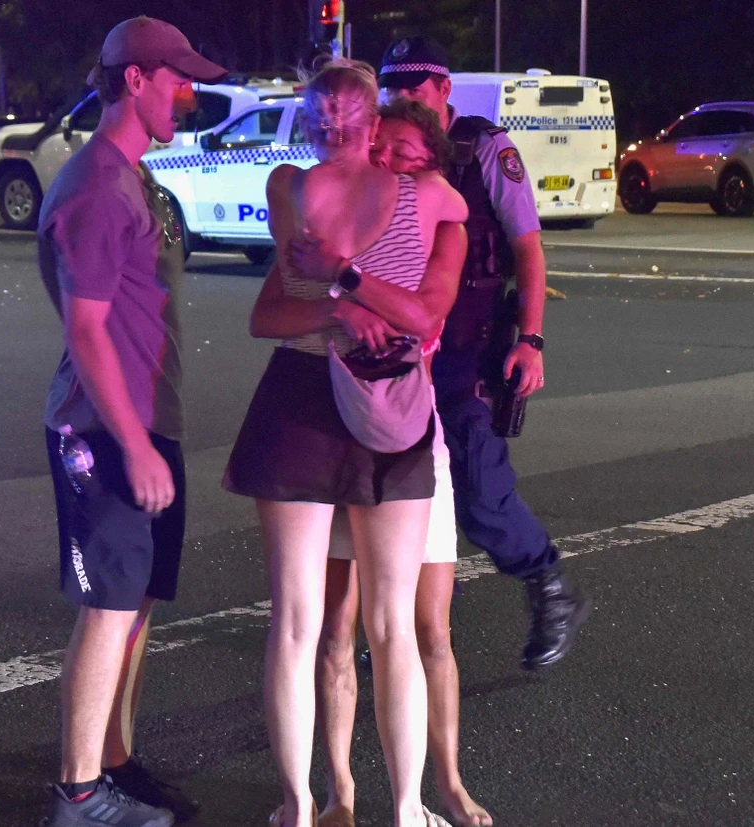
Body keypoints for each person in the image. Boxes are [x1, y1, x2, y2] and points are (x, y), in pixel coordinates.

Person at [223, 60, 467, 827]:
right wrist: (353, 302)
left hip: (298, 397)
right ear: (373, 122)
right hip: (388, 402)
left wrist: (333, 295)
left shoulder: (288, 190)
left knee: (295, 621)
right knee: (392, 625)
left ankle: (300, 805)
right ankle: (405, 806)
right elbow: (428, 300)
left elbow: (275, 308)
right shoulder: (428, 196)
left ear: (306, 118)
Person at [36, 17, 225, 827]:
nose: (189, 93)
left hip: (147, 422)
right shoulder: (95, 187)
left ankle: (112, 762)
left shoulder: (133, 177)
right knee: (110, 604)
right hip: (107, 430)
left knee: (135, 602)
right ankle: (78, 792)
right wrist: (137, 442)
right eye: (179, 78)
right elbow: (87, 329)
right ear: (139, 78)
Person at [301, 101, 490, 827]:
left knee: (429, 629)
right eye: (382, 145)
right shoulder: (348, 208)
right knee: (335, 624)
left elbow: (428, 312)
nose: (389, 158)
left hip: (415, 433)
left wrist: (344, 278)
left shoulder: (440, 221)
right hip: (340, 425)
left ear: (432, 163)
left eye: (407, 151)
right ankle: (338, 793)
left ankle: (444, 784)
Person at [378, 37, 590, 670]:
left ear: (444, 91)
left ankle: (550, 585)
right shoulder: (387, 151)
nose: (402, 109)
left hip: (469, 351)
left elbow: (527, 250)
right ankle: (409, 629)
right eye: (391, 97)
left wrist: (530, 340)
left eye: (414, 95)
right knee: (400, 494)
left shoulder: (485, 148)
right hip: (403, 352)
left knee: (479, 493)